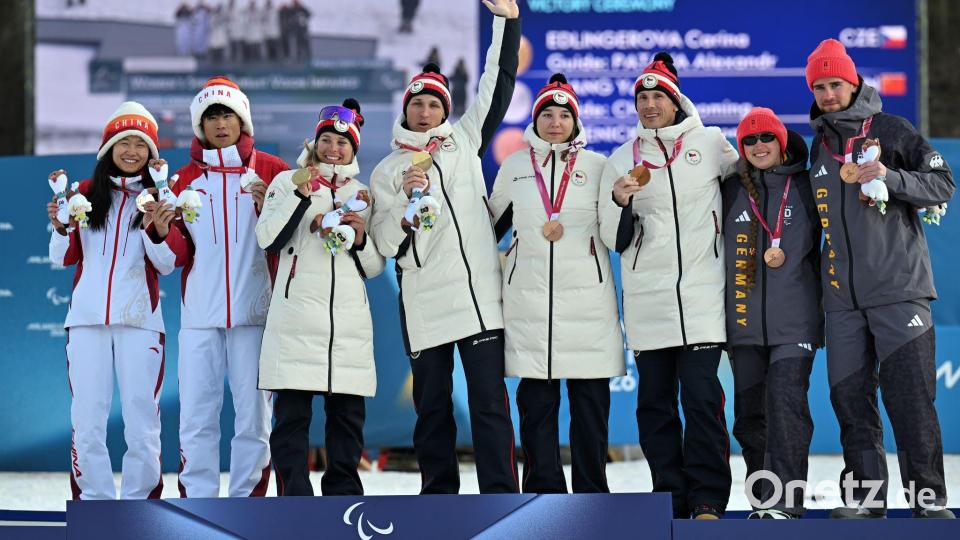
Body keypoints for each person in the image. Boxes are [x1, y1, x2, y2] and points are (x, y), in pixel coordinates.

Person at [369, 0, 521, 494]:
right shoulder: (386, 170)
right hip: (423, 302)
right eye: (418, 103)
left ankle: (501, 498)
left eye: (435, 103)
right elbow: (386, 243)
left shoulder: (464, 140)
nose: (426, 110)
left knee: (489, 407)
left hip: (478, 301)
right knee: (432, 408)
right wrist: (405, 203)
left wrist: (507, 20)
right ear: (405, 110)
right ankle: (439, 497)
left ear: (446, 110)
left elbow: (496, 83)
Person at [805, 39, 955, 519]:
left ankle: (928, 500)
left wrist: (890, 176)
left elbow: (943, 184)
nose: (829, 94)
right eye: (820, 86)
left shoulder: (892, 129)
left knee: (910, 398)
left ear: (854, 83)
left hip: (899, 291)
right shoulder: (820, 143)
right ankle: (867, 501)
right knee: (850, 400)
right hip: (843, 300)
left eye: (836, 84)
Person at [598, 51, 738, 519]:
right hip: (648, 303)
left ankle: (708, 499)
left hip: (702, 299)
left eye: (658, 95)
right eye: (642, 97)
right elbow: (613, 240)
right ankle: (671, 498)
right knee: (654, 409)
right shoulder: (621, 159)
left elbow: (749, 198)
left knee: (702, 404)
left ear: (676, 102)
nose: (650, 104)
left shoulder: (713, 145)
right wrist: (618, 201)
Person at [149, 76, 289, 498]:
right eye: (211, 116)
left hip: (255, 316)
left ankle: (248, 507)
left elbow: (291, 244)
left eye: (228, 114)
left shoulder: (273, 171)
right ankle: (199, 508)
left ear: (242, 119)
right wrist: (157, 233)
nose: (221, 123)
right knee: (196, 418)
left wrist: (273, 210)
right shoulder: (182, 181)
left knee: (253, 420)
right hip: (200, 319)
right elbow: (172, 260)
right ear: (200, 126)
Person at [488, 74, 624, 494]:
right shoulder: (514, 167)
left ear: (576, 121)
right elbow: (489, 227)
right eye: (547, 113)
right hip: (530, 308)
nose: (555, 121)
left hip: (587, 306)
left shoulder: (599, 167)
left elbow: (614, 235)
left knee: (590, 410)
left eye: (564, 114)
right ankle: (544, 492)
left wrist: (621, 200)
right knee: (537, 410)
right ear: (535, 120)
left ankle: (591, 491)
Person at [49, 102, 177, 500]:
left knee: (142, 421)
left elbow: (168, 264)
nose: (132, 151)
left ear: (152, 154)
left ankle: (142, 508)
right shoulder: (84, 195)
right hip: (87, 320)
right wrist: (58, 227)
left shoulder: (160, 197)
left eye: (142, 144)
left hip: (140, 322)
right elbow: (61, 257)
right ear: (108, 149)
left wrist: (157, 228)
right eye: (124, 142)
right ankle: (94, 505)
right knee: (87, 420)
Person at [256, 99, 384, 496]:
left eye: (342, 142)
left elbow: (375, 265)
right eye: (326, 139)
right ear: (314, 142)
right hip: (296, 320)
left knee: (347, 419)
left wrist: (361, 237)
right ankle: (294, 499)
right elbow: (268, 239)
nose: (333, 148)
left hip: (347, 325)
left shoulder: (363, 193)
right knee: (291, 419)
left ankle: (343, 497)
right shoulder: (287, 181)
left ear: (354, 149)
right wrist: (301, 198)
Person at [721, 108, 823, 519]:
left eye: (766, 138)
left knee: (786, 407)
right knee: (750, 417)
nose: (758, 145)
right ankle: (763, 501)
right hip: (743, 323)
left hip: (794, 321)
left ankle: (786, 502)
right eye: (749, 140)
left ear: (781, 142)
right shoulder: (728, 189)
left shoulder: (807, 186)